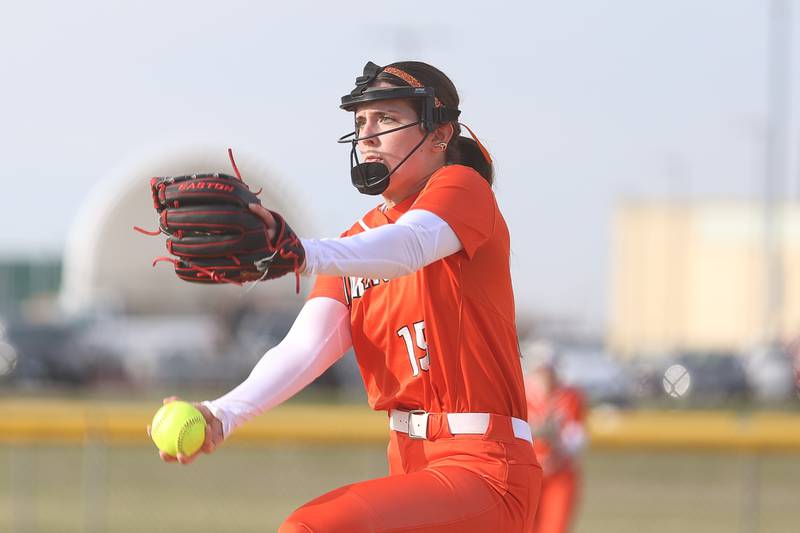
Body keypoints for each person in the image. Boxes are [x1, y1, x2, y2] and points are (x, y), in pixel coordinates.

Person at [153, 60, 543, 532]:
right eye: (361, 122)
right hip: (411, 465)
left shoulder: (461, 189)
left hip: (484, 471)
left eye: (387, 119)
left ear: (441, 134)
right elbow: (303, 349)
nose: (368, 135)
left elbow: (409, 245)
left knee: (313, 527)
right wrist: (221, 413)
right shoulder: (355, 243)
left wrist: (302, 253)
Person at [524, 343, 587, 533]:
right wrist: (536, 430)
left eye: (548, 370)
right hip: (528, 474)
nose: (545, 376)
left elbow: (577, 439)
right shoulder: (521, 395)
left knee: (555, 527)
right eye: (540, 370)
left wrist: (557, 437)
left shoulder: (570, 396)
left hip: (559, 473)